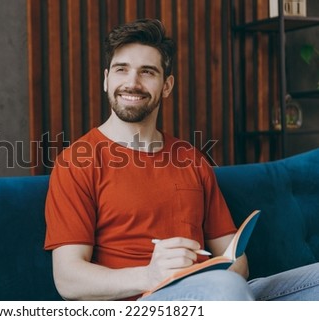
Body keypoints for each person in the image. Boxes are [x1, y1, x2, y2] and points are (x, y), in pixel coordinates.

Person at [44, 18, 319, 301]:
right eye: (121, 70)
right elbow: (69, 279)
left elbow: (236, 260)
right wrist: (150, 275)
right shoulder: (77, 162)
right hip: (142, 301)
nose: (132, 83)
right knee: (225, 288)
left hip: (215, 292)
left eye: (147, 72)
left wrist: (214, 276)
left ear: (167, 85)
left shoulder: (191, 159)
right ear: (106, 79)